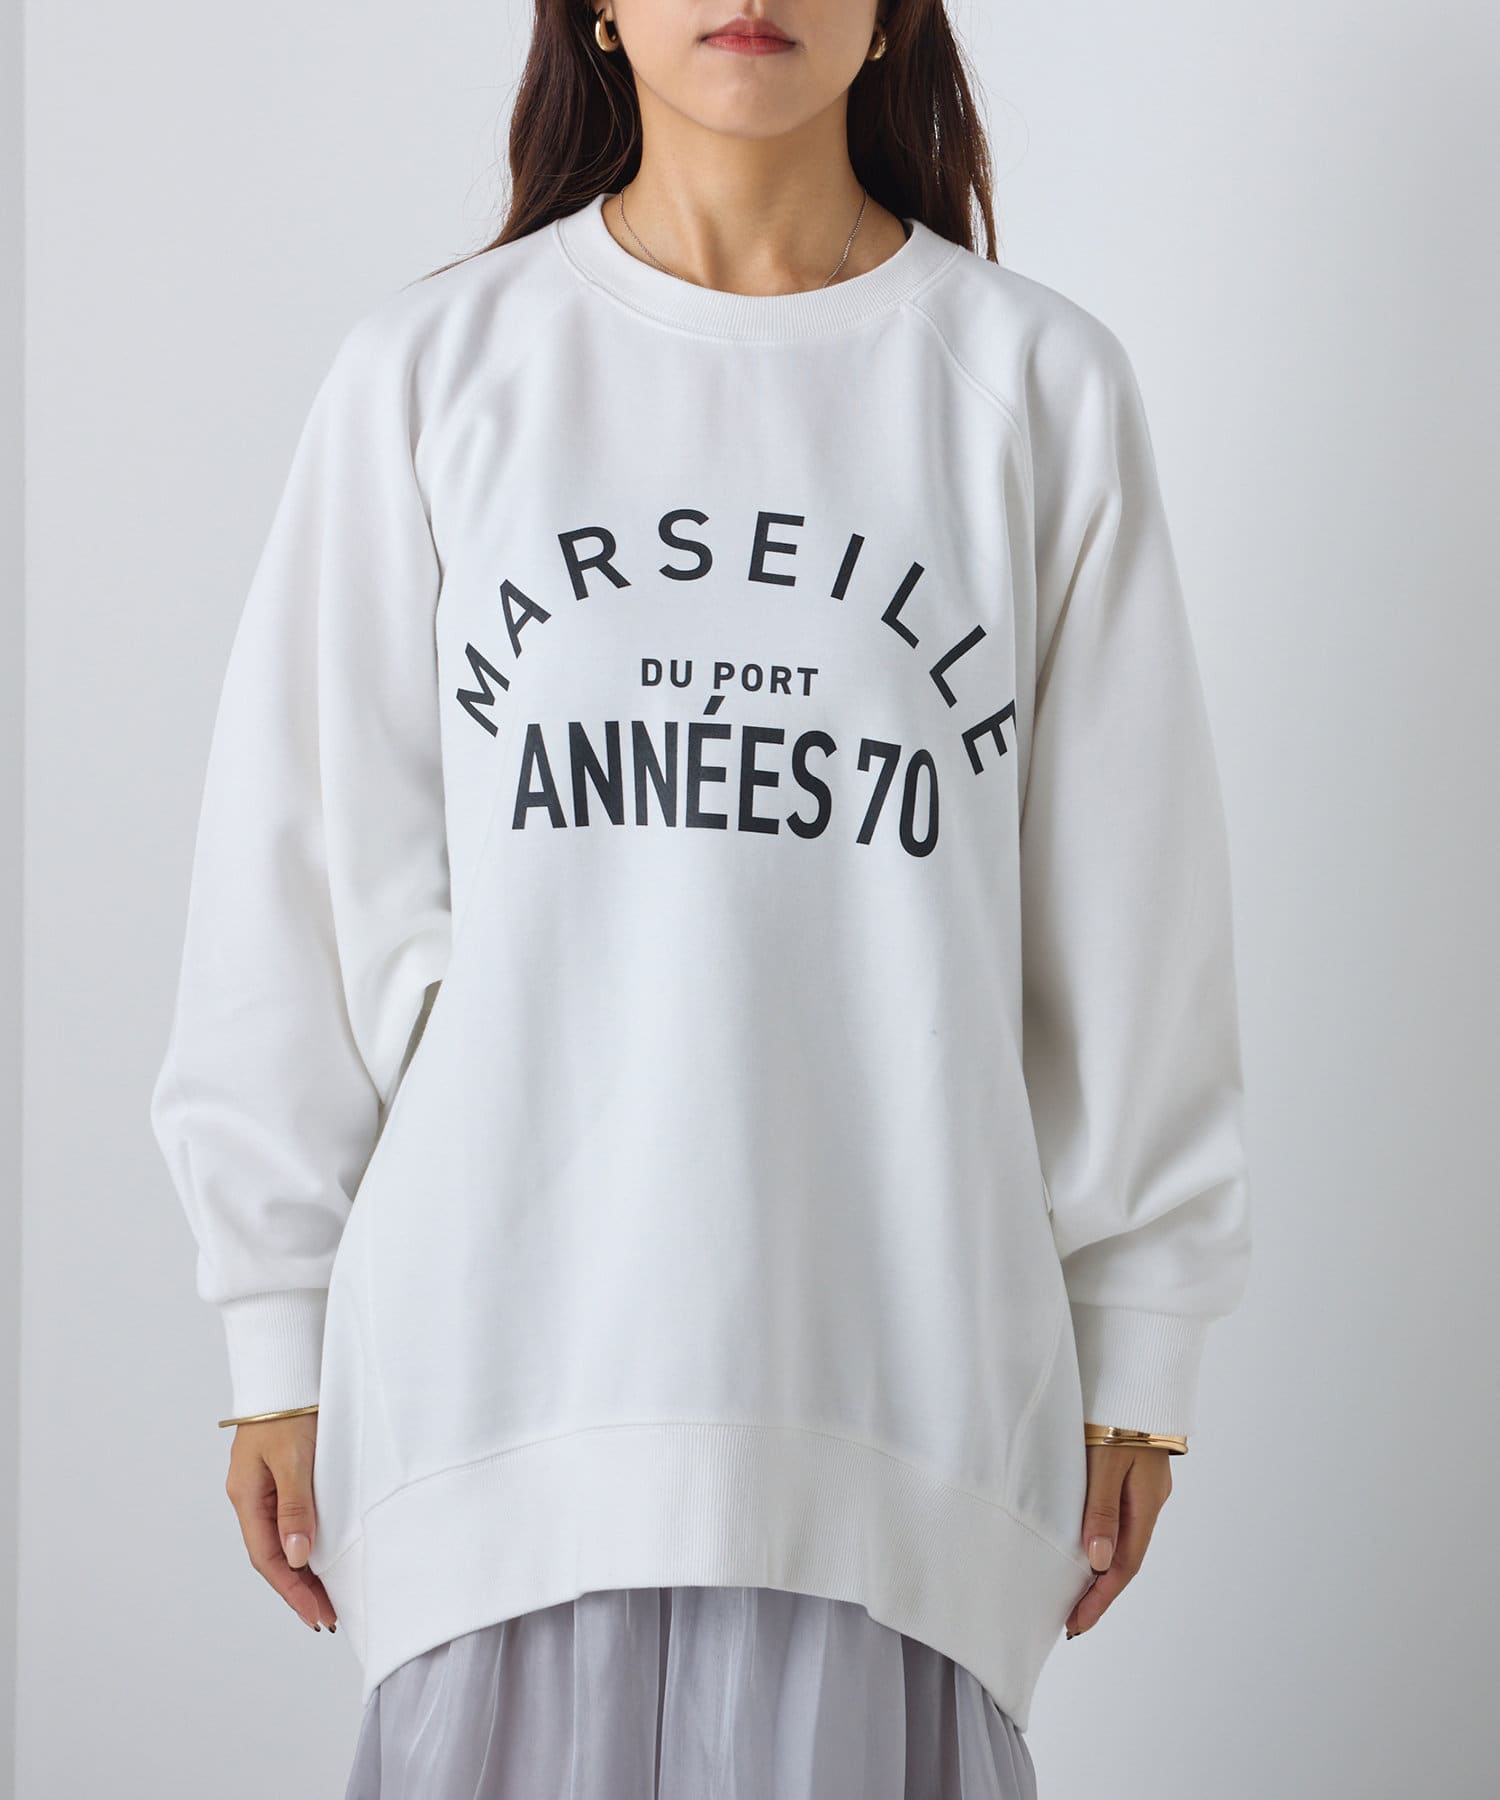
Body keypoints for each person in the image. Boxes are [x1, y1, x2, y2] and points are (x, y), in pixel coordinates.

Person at [148, 3, 1253, 1795]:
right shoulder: (436, 371)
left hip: (901, 1390)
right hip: (498, 1383)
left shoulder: (1030, 385)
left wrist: (1144, 1345)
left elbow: (1132, 909)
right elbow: (298, 875)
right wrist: (272, 1326)